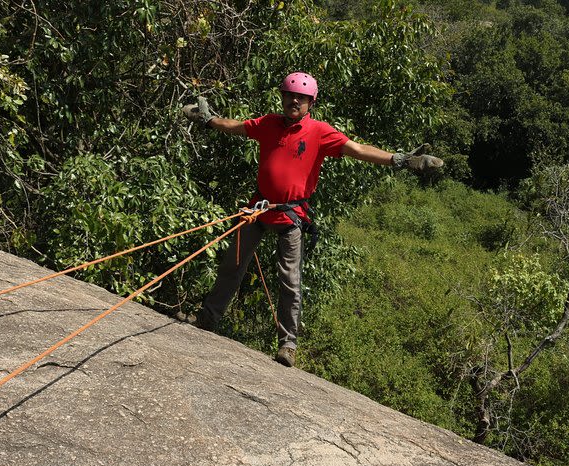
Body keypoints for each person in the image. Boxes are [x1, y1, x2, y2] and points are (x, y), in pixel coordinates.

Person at [182, 72, 443, 368]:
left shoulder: (319, 132)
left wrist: (401, 159)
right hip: (259, 208)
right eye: (290, 95)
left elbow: (357, 150)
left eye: (301, 98)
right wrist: (208, 119)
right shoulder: (268, 124)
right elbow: (236, 127)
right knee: (233, 263)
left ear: (310, 103)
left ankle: (287, 345)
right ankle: (207, 318)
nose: (294, 100)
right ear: (282, 97)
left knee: (289, 281)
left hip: (291, 214)